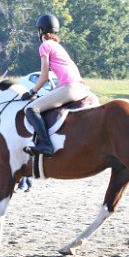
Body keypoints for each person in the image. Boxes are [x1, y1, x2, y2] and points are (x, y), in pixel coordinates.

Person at [22, 13, 91, 157]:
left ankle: (45, 145)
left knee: (31, 109)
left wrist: (31, 92)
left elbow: (44, 77)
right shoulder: (57, 46)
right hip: (81, 88)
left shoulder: (45, 46)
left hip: (70, 88)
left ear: (41, 30)